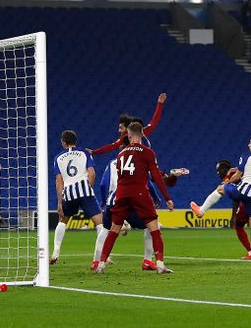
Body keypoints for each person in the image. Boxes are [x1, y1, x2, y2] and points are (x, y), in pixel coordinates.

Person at [96, 122, 174, 274]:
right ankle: (159, 264)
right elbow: (155, 177)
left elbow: (120, 178)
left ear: (129, 135)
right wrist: (167, 197)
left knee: (113, 230)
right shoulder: (147, 152)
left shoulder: (120, 154)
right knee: (155, 229)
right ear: (142, 135)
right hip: (140, 194)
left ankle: (101, 264)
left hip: (122, 194)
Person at [50, 130, 107, 267]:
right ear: (76, 141)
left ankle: (56, 251)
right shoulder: (84, 153)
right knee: (101, 225)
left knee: (62, 221)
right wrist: (89, 189)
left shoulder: (58, 158)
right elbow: (92, 173)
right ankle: (97, 260)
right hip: (85, 191)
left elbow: (59, 181)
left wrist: (59, 202)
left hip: (68, 194)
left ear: (63, 142)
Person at [89, 93, 166, 155]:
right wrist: (160, 104)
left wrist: (94, 152)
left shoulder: (125, 137)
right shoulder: (142, 133)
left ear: (128, 127)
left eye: (121, 128)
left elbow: (112, 146)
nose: (119, 131)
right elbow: (154, 122)